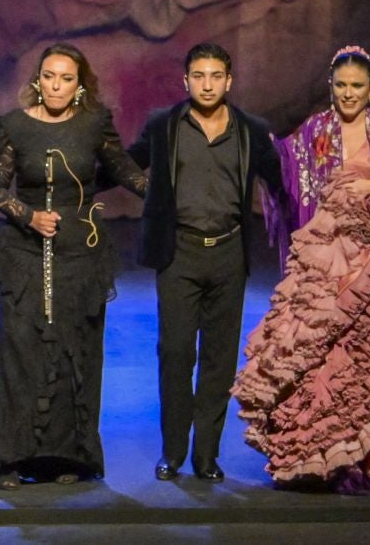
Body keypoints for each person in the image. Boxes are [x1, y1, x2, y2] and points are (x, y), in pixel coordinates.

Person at [234, 45, 370, 489]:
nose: (348, 94)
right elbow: (284, 169)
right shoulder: (316, 131)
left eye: (357, 86)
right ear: (331, 86)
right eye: (341, 86)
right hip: (328, 268)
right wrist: (255, 142)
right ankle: (326, 455)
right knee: (330, 363)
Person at [0, 42, 146, 488]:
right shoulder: (14, 126)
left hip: (81, 252)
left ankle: (69, 456)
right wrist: (28, 215)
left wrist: (167, 197)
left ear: (79, 85)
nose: (56, 85)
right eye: (49, 76)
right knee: (21, 352)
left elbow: (123, 170)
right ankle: (9, 457)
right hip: (26, 252)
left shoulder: (94, 124)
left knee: (75, 351)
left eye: (66, 78)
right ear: (37, 81)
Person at [127, 42, 283, 483]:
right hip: (179, 252)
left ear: (229, 81)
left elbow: (284, 181)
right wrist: (69, 186)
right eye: (199, 76)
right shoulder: (164, 125)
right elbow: (124, 164)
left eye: (216, 76)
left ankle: (206, 456)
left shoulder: (251, 129)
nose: (208, 84)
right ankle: (173, 452)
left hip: (230, 253)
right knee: (175, 354)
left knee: (218, 359)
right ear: (186, 80)